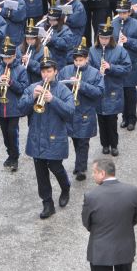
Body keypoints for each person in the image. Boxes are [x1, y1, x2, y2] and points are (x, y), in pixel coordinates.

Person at [19, 48, 74, 219]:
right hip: (37, 136)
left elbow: (70, 112)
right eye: (43, 71)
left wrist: (53, 100)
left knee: (56, 167)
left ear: (55, 72)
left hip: (55, 135)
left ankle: (65, 187)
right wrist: (32, 98)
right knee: (41, 173)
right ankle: (47, 203)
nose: (45, 75)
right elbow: (20, 108)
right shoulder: (32, 87)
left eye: (49, 71)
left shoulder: (63, 90)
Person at [82, 158, 137, 271]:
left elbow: (87, 223)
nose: (92, 175)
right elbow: (136, 218)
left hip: (100, 251)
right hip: (125, 248)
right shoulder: (132, 191)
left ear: (102, 173)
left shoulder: (91, 196)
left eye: (94, 172)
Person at [58, 37, 103, 181]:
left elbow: (99, 92)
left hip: (86, 112)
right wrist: (68, 85)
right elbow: (58, 87)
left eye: (81, 60)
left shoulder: (95, 73)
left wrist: (81, 84)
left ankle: (81, 168)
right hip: (71, 112)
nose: (78, 63)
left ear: (87, 59)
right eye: (76, 60)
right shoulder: (66, 70)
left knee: (83, 141)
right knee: (76, 140)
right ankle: (79, 164)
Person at [88, 19, 131, 156]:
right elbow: (88, 69)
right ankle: (104, 144)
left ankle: (114, 145)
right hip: (98, 90)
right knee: (101, 119)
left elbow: (127, 68)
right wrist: (96, 71)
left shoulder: (119, 50)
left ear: (110, 38)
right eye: (101, 38)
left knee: (112, 120)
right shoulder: (92, 51)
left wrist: (111, 67)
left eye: (106, 38)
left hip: (113, 88)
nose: (104, 41)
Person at [0, 37, 29, 172]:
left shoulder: (21, 69)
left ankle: (15, 157)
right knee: (5, 134)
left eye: (9, 58)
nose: (6, 61)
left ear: (14, 56)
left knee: (12, 132)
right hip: (1, 107)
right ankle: (10, 154)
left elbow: (24, 88)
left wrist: (11, 82)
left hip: (14, 107)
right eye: (4, 58)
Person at [112, 0, 137, 131]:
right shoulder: (114, 24)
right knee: (120, 92)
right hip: (118, 63)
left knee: (130, 92)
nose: (121, 15)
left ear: (129, 12)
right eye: (119, 12)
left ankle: (132, 118)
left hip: (132, 63)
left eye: (124, 12)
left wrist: (128, 41)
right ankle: (124, 117)